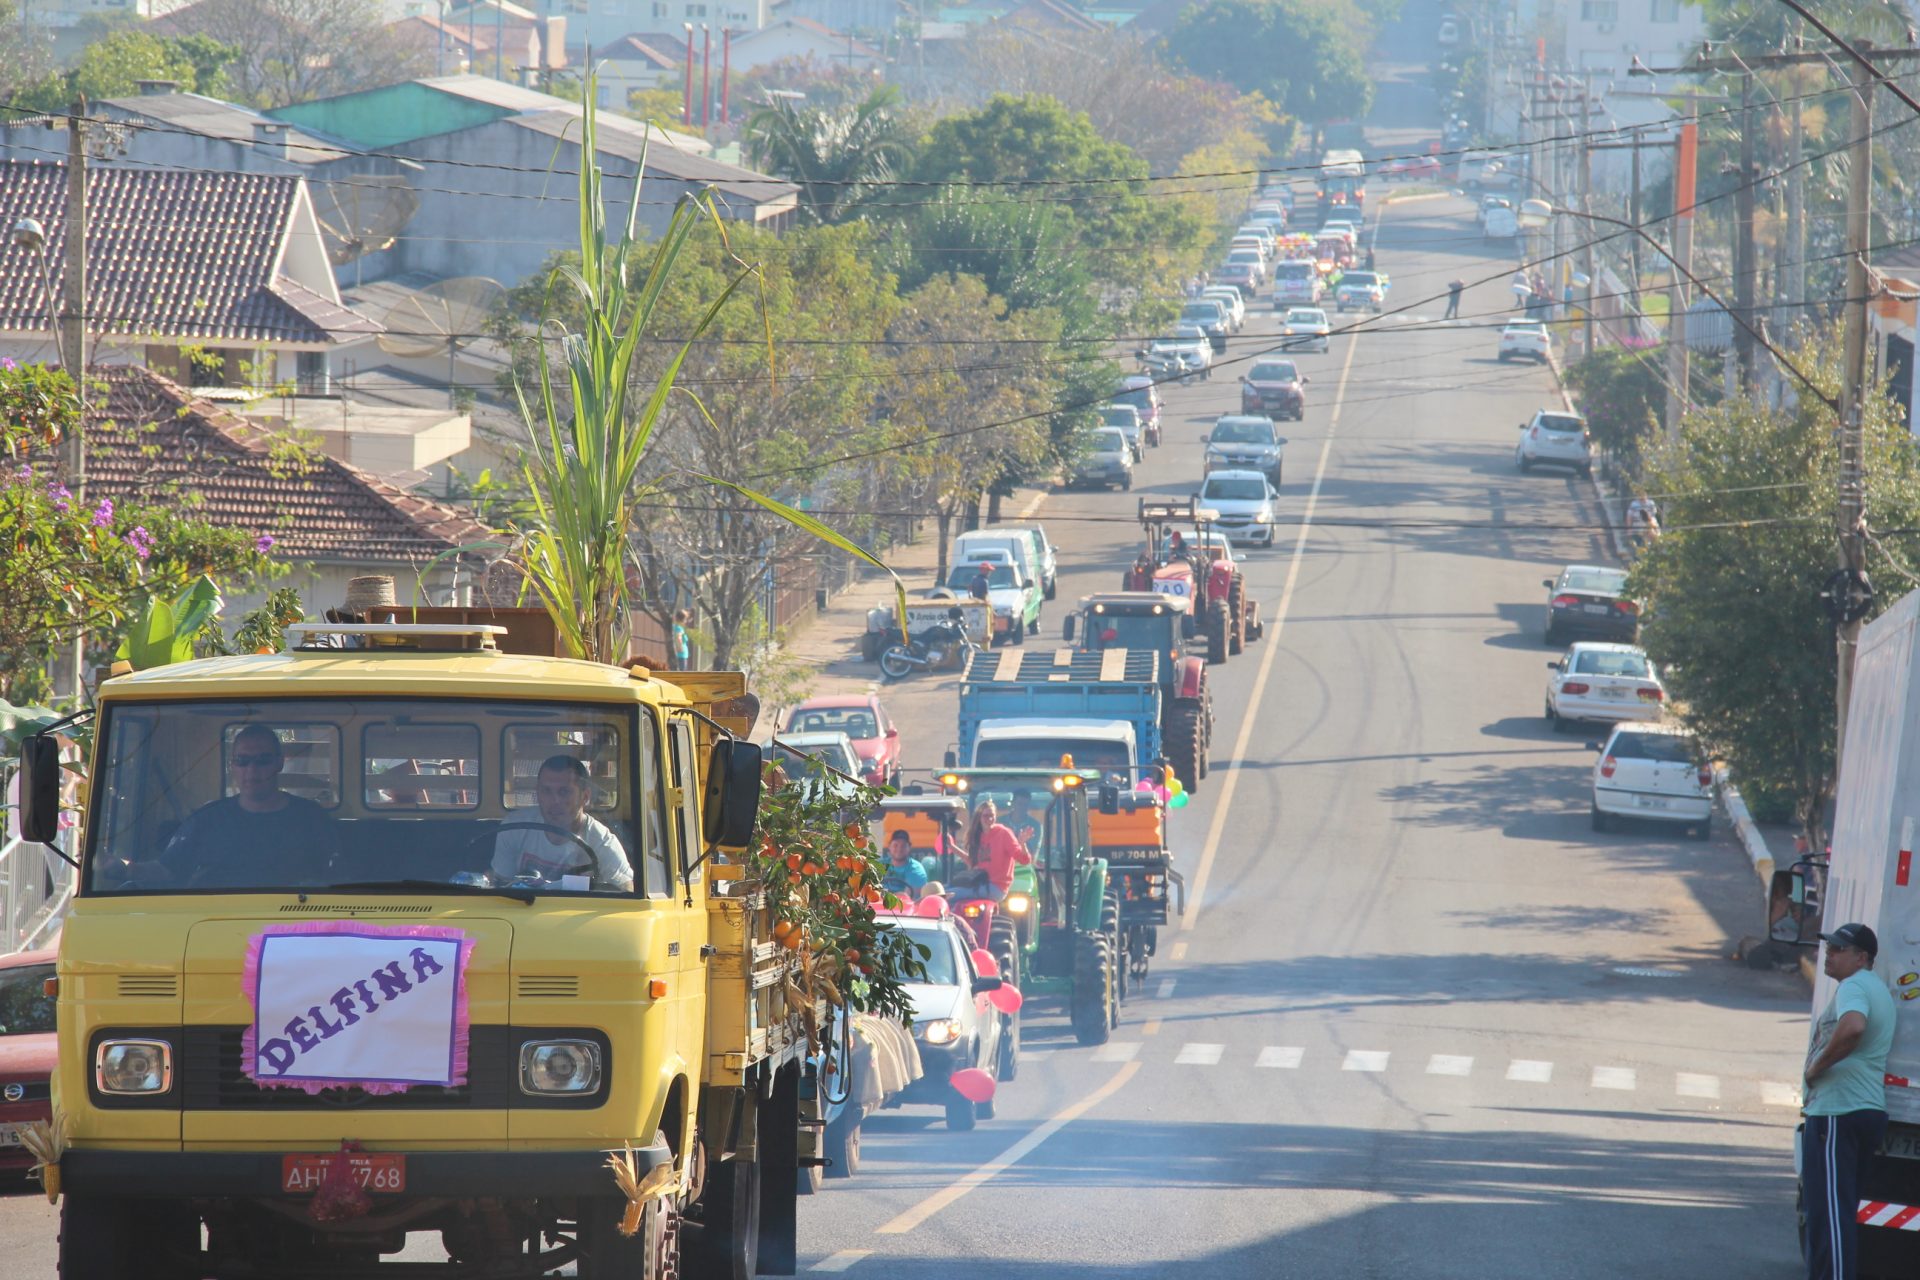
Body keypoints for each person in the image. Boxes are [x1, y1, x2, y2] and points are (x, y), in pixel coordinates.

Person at [1802, 922, 1895, 1280]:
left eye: (1839, 949)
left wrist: (1817, 1066)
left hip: (1839, 1111)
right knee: (1833, 1213)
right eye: (1830, 947)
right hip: (1858, 1108)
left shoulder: (1855, 986)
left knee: (1830, 1218)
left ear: (1862, 958)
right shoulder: (1875, 988)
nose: (1830, 954)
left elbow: (1854, 1027)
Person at [157, 725, 340, 888]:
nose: (251, 770)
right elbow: (166, 870)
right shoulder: (206, 820)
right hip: (219, 913)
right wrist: (138, 871)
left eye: (262, 761)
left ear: (279, 763)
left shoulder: (311, 818)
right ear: (232, 765)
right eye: (242, 761)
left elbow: (337, 878)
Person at [492, 755, 635, 891]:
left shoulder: (601, 842)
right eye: (546, 791)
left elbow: (625, 889)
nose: (555, 801)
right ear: (538, 793)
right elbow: (501, 883)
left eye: (564, 792)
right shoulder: (514, 827)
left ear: (585, 797)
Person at [953, 798, 1032, 904]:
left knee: (950, 895)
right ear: (979, 818)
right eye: (986, 816)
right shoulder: (977, 836)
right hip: (979, 882)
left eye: (992, 816)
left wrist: (1022, 844)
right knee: (942, 890)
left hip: (996, 887)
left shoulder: (1004, 834)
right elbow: (972, 862)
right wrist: (952, 847)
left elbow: (1024, 860)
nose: (989, 819)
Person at [880, 828, 928, 900]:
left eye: (903, 845)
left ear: (909, 847)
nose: (899, 849)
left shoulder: (916, 869)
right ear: (889, 846)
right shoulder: (879, 865)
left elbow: (909, 899)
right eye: (895, 845)